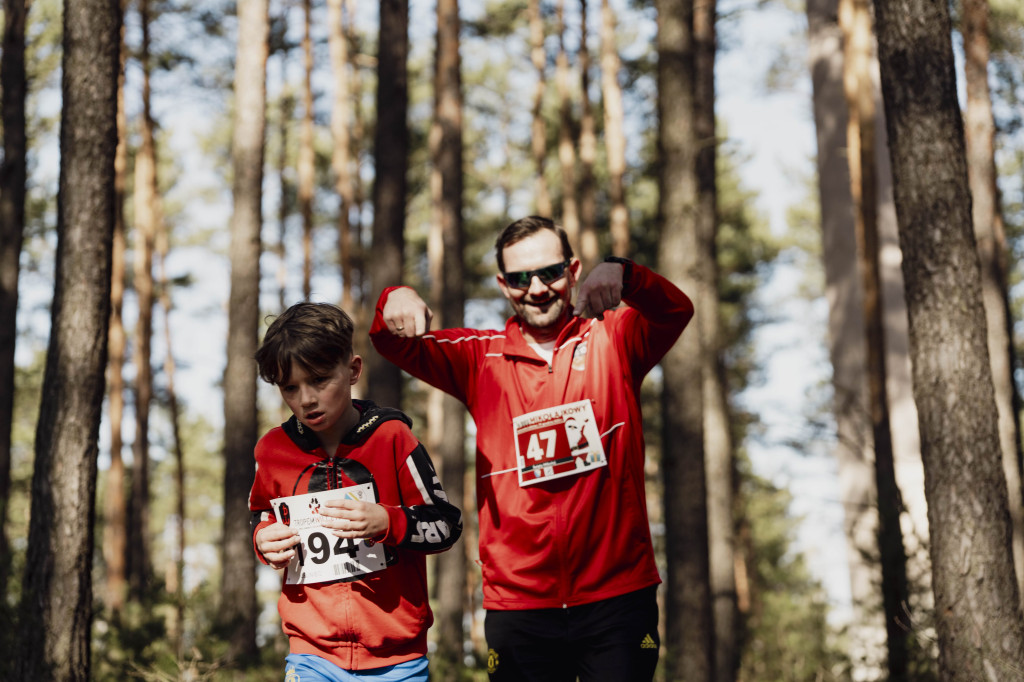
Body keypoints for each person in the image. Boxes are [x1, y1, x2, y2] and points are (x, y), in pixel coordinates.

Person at [369, 216, 694, 682]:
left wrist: (627, 273)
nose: (537, 288)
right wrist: (394, 298)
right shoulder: (479, 357)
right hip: (520, 607)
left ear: (574, 269)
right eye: (521, 278)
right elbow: (388, 341)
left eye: (550, 273)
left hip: (617, 598)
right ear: (503, 284)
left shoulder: (615, 337)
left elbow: (676, 311)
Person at [249, 301, 463, 682]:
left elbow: (446, 525)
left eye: (319, 380)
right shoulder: (272, 450)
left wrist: (389, 521)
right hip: (310, 655)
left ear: (352, 370)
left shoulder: (393, 438)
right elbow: (263, 516)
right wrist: (264, 541)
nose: (307, 399)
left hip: (398, 661)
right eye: (290, 388)